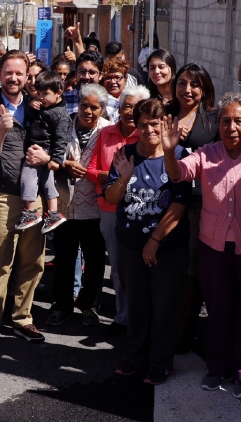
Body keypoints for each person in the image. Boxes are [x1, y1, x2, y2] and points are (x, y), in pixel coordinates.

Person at [161, 92, 241, 399]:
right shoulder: (206, 152)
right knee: (218, 308)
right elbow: (178, 174)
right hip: (213, 248)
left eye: (238, 120)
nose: (231, 127)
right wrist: (170, 151)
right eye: (225, 121)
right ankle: (217, 366)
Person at [105, 98, 192, 385]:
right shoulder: (125, 154)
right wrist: (123, 179)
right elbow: (111, 198)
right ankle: (134, 357)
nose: (148, 130)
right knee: (137, 304)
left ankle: (160, 363)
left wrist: (154, 241)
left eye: (155, 124)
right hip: (130, 246)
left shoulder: (179, 154)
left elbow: (179, 206)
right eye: (142, 125)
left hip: (168, 247)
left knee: (166, 305)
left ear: (166, 124)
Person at [0, 50, 50, 350]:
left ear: (27, 75)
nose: (14, 78)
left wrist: (48, 158)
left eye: (20, 73)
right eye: (9, 72)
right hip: (4, 196)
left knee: (33, 261)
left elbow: (58, 144)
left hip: (37, 198)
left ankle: (22, 318)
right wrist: (2, 131)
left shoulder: (40, 107)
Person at [86, 85, 150, 336]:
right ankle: (123, 316)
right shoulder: (106, 133)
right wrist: (110, 177)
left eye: (136, 107)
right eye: (126, 105)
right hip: (109, 208)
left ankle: (140, 316)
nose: (130, 112)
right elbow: (91, 169)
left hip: (138, 209)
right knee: (118, 267)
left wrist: (117, 178)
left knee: (139, 267)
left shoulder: (146, 138)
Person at [46, 84, 110, 327]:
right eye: (84, 105)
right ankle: (62, 305)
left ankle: (89, 305)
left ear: (102, 110)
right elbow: (51, 152)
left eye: (94, 108)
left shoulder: (107, 131)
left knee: (94, 261)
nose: (88, 111)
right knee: (64, 258)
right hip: (65, 205)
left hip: (94, 207)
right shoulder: (65, 124)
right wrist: (64, 166)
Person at [170, 63, 219, 353]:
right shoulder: (165, 113)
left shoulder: (213, 121)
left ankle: (184, 332)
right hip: (164, 200)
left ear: (204, 89)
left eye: (194, 85)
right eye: (182, 83)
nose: (187, 90)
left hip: (197, 203)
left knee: (191, 269)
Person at [16, 71, 71, 233]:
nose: (40, 97)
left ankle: (30, 211)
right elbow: (32, 121)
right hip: (41, 149)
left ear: (58, 92)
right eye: (38, 93)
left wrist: (56, 159)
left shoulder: (60, 115)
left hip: (41, 151)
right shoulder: (44, 106)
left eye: (45, 94)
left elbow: (62, 139)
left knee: (27, 178)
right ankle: (53, 214)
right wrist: (32, 107)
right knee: (48, 183)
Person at [101, 58, 130, 122]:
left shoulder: (131, 101)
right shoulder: (99, 102)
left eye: (117, 77)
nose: (112, 81)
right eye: (108, 77)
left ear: (125, 80)